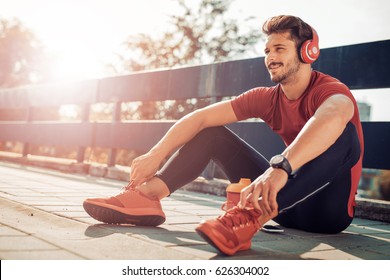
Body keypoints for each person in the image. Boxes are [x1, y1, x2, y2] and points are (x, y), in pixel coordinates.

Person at [83, 15, 363, 256]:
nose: (271, 58)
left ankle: (247, 218)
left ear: (307, 52)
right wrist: (156, 154)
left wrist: (279, 168)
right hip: (281, 205)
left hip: (327, 214)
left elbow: (334, 115)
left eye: (279, 48)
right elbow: (200, 117)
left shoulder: (330, 90)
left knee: (346, 136)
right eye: (267, 50)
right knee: (211, 131)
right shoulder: (266, 98)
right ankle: (148, 196)